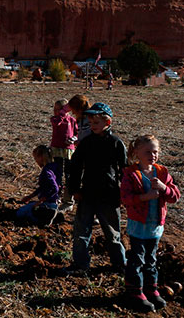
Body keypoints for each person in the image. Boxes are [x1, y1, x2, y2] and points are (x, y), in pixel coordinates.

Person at [121, 135, 180, 313]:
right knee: (137, 259)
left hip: (155, 227)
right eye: (148, 152)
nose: (152, 155)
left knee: (151, 259)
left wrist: (164, 188)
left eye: (155, 152)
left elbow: (175, 197)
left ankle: (150, 289)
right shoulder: (131, 174)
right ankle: (135, 291)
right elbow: (125, 199)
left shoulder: (162, 173)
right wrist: (144, 197)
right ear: (136, 152)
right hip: (138, 227)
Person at [66, 102, 127, 274]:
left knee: (113, 233)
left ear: (107, 123)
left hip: (109, 195)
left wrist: (125, 194)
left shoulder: (116, 144)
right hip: (87, 194)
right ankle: (80, 264)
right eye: (91, 123)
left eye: (96, 123)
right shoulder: (86, 143)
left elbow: (124, 171)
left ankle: (119, 264)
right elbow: (75, 166)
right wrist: (74, 189)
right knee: (81, 231)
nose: (92, 126)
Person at [59, 94, 92, 213]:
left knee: (91, 181)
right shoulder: (81, 119)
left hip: (92, 154)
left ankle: (95, 211)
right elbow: (82, 134)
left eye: (73, 110)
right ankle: (68, 202)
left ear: (79, 109)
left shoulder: (91, 118)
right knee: (72, 175)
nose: (71, 112)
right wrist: (75, 140)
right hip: (81, 151)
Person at [16, 146, 62, 227]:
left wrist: (41, 200)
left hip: (47, 202)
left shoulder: (46, 171)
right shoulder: (54, 167)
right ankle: (53, 213)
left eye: (35, 158)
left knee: (20, 212)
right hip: (54, 202)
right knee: (30, 206)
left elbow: (55, 188)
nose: (35, 161)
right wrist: (30, 196)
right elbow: (44, 187)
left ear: (41, 157)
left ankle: (42, 216)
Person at [50, 99, 78, 192]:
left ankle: (68, 189)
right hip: (57, 148)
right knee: (58, 170)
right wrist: (61, 114)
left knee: (68, 171)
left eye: (59, 109)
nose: (56, 111)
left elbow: (77, 132)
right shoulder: (55, 119)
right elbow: (57, 123)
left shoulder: (72, 120)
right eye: (55, 109)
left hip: (68, 149)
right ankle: (58, 187)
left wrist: (74, 138)